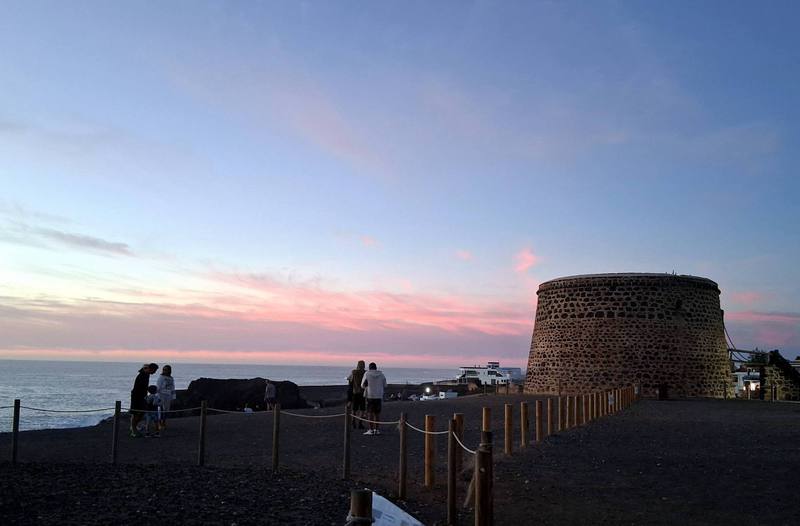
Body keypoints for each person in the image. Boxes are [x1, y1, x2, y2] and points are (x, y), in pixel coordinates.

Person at [130, 362, 158, 437]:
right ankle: (133, 430)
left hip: (141, 396)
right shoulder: (143, 375)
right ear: (151, 369)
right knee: (137, 413)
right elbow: (140, 387)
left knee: (140, 413)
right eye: (154, 371)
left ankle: (134, 428)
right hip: (137, 396)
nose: (154, 372)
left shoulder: (146, 374)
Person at [360, 362, 387, 435]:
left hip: (370, 395)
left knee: (370, 413)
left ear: (369, 368)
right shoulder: (381, 374)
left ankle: (371, 430)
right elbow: (385, 385)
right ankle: (377, 430)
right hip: (378, 396)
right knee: (377, 414)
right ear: (376, 368)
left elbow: (362, 385)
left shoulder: (367, 374)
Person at [347, 361, 367, 429]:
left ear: (357, 365)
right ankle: (360, 423)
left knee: (354, 409)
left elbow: (350, 381)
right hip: (362, 393)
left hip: (355, 392)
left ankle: (353, 422)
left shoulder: (353, 372)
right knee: (362, 409)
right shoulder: (365, 373)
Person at [156, 364, 175, 432]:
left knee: (166, 410)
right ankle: (159, 423)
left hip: (168, 396)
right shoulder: (161, 377)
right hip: (161, 395)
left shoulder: (171, 378)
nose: (164, 371)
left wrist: (173, 397)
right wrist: (157, 396)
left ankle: (164, 422)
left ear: (169, 370)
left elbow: (173, 387)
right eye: (163, 369)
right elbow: (158, 387)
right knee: (160, 410)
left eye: (166, 369)